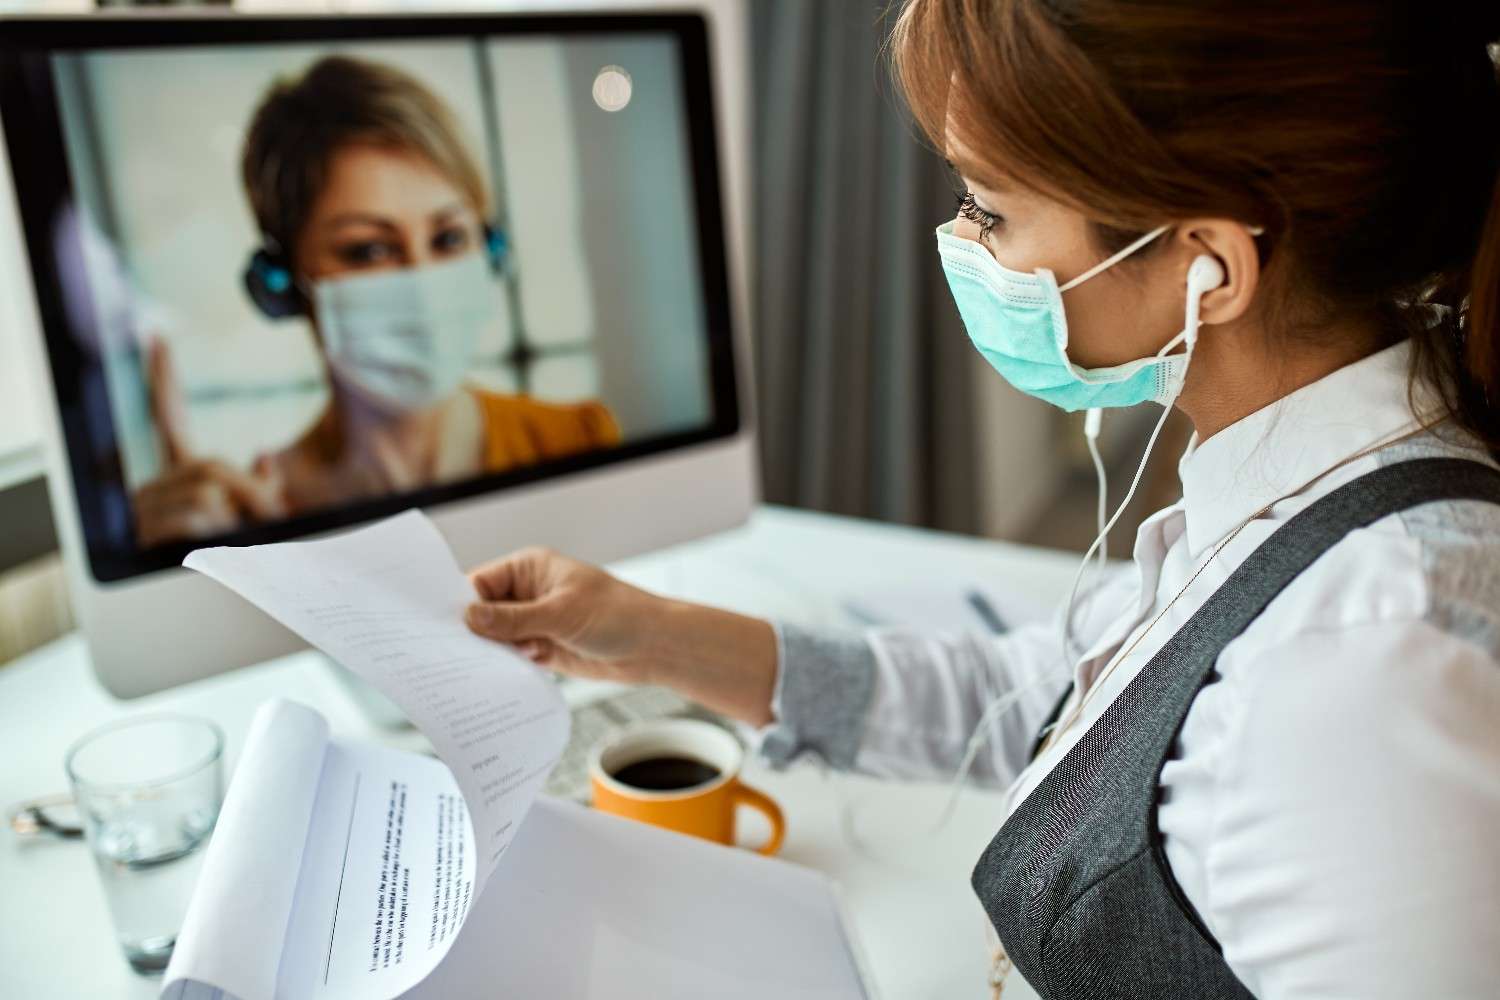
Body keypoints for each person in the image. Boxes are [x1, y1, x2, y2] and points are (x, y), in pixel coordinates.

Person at [464, 4, 1500, 998]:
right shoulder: (1294, 476)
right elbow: (1047, 697)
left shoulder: (1368, 669)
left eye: (991, 212)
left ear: (1210, 269)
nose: (961, 241)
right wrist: (645, 636)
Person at [133, 56, 620, 548]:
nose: (423, 282)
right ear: (281, 285)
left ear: (490, 251)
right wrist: (192, 573)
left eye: (449, 238)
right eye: (368, 250)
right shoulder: (255, 518)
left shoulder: (578, 439)